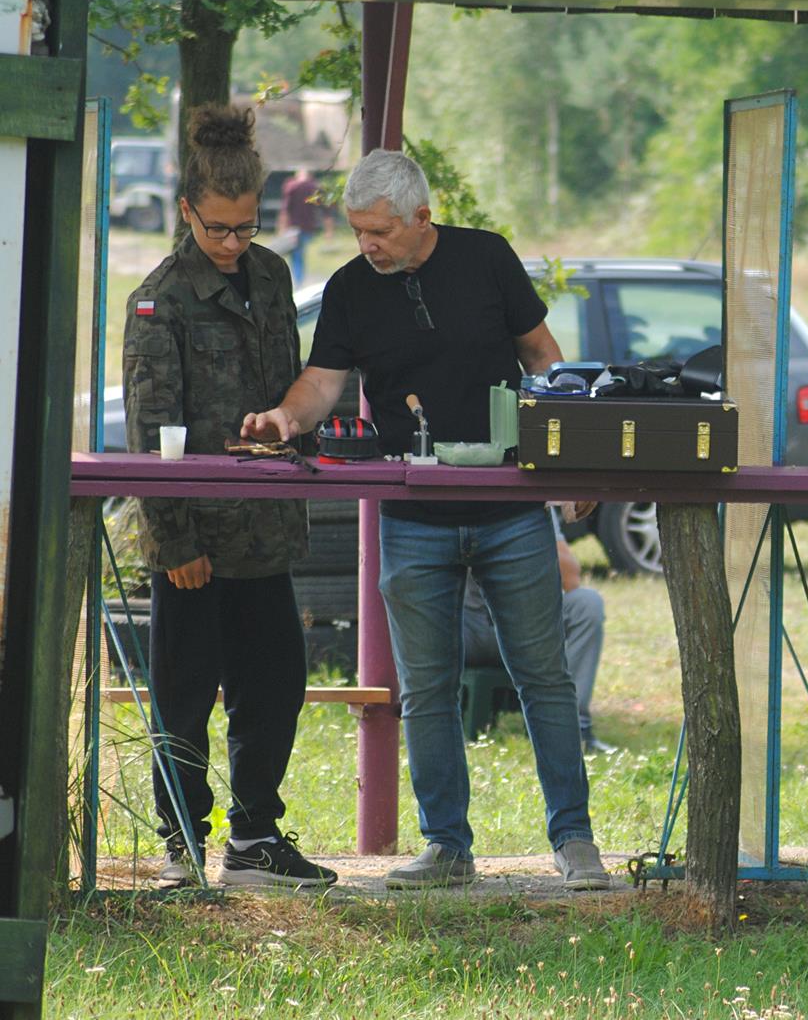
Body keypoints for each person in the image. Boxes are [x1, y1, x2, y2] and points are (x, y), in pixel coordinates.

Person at [241, 148, 610, 891]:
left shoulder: (488, 259)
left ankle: (574, 838)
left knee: (543, 674)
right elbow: (323, 381)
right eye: (356, 230)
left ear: (421, 217)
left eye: (379, 231)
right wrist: (285, 414)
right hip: (410, 513)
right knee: (426, 687)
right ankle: (447, 846)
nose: (365, 244)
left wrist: (570, 453)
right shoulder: (349, 289)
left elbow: (544, 357)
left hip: (510, 508)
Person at [124, 105, 336, 888]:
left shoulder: (275, 277)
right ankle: (182, 845)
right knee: (182, 700)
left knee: (276, 687)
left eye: (245, 227)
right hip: (195, 541)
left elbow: (292, 382)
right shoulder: (161, 298)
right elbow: (152, 431)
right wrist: (175, 541)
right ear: (187, 212)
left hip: (266, 529)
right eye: (217, 228)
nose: (233, 243)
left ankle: (254, 839)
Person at [462, 508, 613, 754]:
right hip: (465, 623)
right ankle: (434, 722)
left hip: (526, 623)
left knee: (587, 603)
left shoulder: (534, 502)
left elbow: (570, 578)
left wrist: (526, 532)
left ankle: (576, 729)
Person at [278, 167, 322, 287]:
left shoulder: (291, 186)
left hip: (293, 227)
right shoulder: (314, 187)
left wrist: (282, 227)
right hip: (308, 227)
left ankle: (297, 280)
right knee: (299, 253)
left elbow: (285, 209)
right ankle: (298, 279)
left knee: (296, 254)